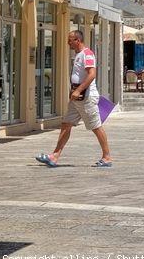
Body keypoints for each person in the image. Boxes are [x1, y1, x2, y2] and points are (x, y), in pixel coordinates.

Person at [36, 30, 113, 168]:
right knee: (66, 124)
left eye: (70, 40)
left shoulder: (87, 54)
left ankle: (107, 157)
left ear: (78, 40)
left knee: (95, 126)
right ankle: (54, 156)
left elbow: (92, 74)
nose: (68, 42)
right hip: (76, 98)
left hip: (86, 97)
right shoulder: (78, 55)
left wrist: (78, 90)